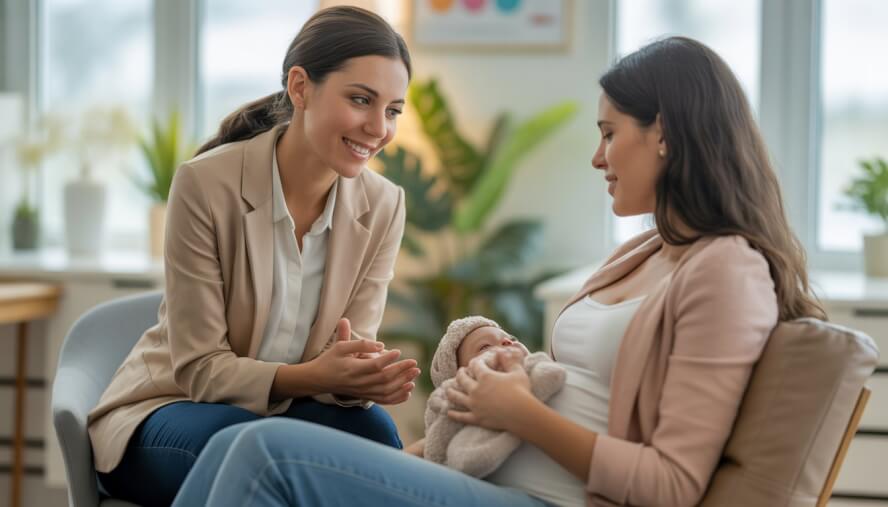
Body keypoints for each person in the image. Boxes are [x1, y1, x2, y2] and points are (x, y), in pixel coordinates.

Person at [170, 36, 826, 507]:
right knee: (246, 444)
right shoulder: (648, 250)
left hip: (549, 496)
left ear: (666, 134)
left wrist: (517, 411)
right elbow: (573, 389)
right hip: (494, 474)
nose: (598, 158)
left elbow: (671, 486)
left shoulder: (726, 272)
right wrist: (489, 381)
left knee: (265, 451)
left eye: (609, 132)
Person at [86, 6, 421, 506]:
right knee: (244, 446)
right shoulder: (205, 183)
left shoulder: (384, 205)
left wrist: (362, 379)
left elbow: (347, 354)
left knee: (372, 434)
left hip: (281, 416)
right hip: (171, 408)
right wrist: (315, 376)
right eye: (360, 100)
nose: (378, 128)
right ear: (300, 87)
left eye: (393, 110)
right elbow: (199, 369)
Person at [422, 316, 565, 478]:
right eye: (485, 346)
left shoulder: (537, 366)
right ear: (462, 378)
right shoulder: (455, 412)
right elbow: (441, 452)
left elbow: (552, 374)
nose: (507, 342)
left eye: (511, 338)